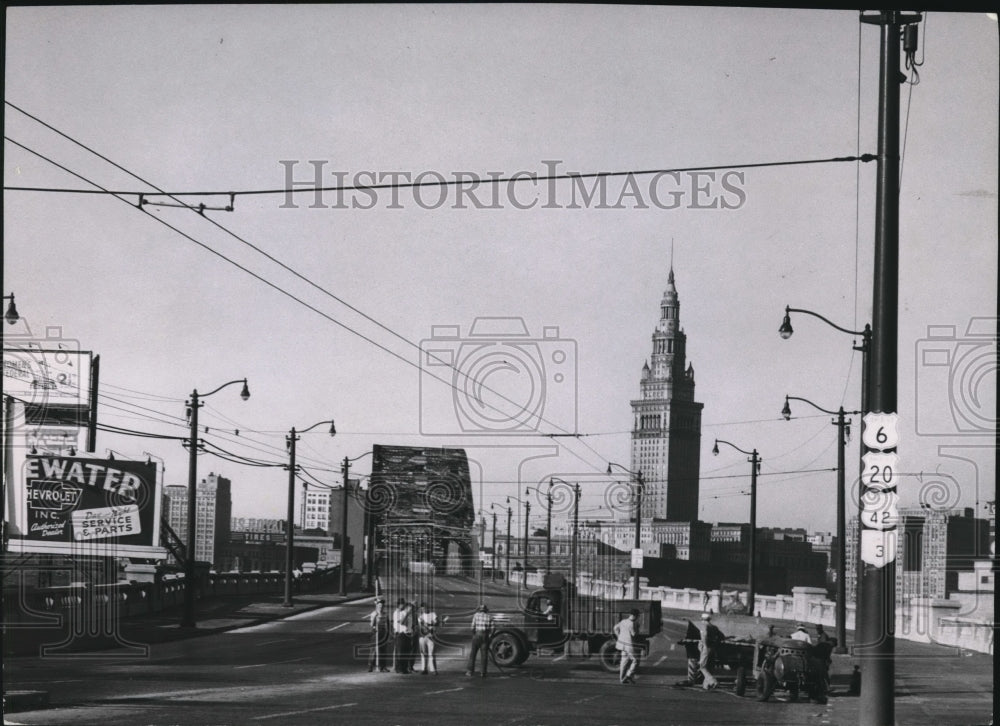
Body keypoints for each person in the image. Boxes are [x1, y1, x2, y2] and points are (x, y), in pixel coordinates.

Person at [466, 603, 494, 678]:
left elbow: (472, 627)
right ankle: (483, 672)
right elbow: (493, 629)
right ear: (486, 610)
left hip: (477, 635)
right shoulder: (490, 617)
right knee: (484, 655)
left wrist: (474, 634)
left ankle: (470, 671)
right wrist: (489, 636)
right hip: (485, 636)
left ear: (479, 610)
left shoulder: (476, 615)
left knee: (473, 654)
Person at [613, 609, 640, 684]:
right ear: (634, 616)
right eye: (637, 616)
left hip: (622, 645)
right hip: (629, 645)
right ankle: (628, 675)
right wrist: (637, 627)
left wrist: (619, 637)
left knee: (624, 662)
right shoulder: (632, 624)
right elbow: (634, 634)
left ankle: (622, 679)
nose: (638, 618)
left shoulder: (623, 621)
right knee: (635, 660)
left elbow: (615, 628)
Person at [697, 612, 720, 689]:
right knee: (709, 666)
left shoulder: (704, 626)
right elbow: (721, 636)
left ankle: (713, 681)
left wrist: (705, 644)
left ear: (702, 619)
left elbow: (705, 635)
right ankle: (706, 685)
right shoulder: (714, 627)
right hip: (713, 648)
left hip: (706, 648)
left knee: (702, 666)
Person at [367, 597, 390, 672]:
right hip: (376, 632)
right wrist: (375, 617)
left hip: (383, 632)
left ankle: (383, 666)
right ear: (377, 606)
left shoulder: (385, 614)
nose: (381, 607)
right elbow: (371, 625)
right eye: (380, 606)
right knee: (374, 650)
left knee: (383, 650)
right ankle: (370, 666)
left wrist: (389, 633)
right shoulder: (374, 614)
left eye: (382, 606)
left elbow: (388, 624)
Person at [393, 599, 415, 673]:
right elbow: (401, 622)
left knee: (406, 651)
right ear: (399, 605)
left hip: (407, 634)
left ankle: (404, 668)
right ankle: (400, 668)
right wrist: (407, 612)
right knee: (401, 652)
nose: (404, 605)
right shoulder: (397, 613)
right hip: (400, 634)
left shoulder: (404, 612)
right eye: (402, 604)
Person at [417, 602, 439, 675]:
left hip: (431, 636)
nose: (424, 609)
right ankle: (424, 669)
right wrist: (427, 628)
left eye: (425, 607)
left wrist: (430, 626)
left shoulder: (433, 614)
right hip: (423, 637)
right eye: (422, 608)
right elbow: (421, 627)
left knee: (431, 653)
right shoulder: (420, 617)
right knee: (423, 653)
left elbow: (437, 622)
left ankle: (433, 670)